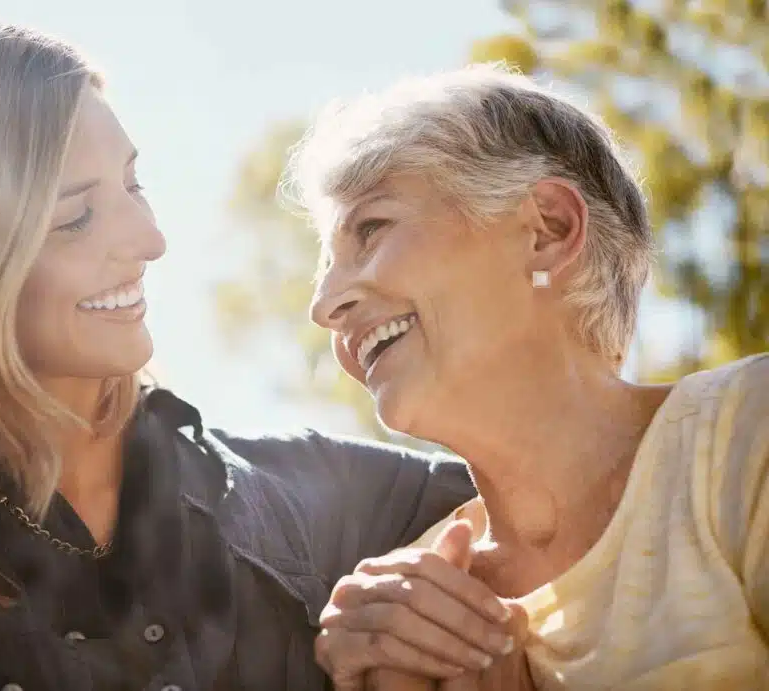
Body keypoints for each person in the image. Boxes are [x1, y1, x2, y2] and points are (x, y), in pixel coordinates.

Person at [0, 23, 479, 691]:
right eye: (75, 216)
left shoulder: (312, 502)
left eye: (134, 184)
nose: (148, 238)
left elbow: (557, 498)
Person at [291, 63, 769, 689]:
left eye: (372, 228)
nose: (324, 305)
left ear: (548, 230)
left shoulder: (746, 436)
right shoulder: (408, 605)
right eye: (326, 267)